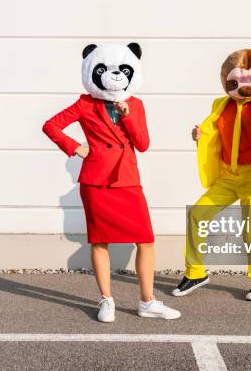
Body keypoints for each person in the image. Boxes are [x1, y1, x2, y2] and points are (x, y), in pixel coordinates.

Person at [43, 42, 180, 322]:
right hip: (96, 182)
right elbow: (51, 125)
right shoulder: (85, 103)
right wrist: (75, 147)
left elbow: (142, 144)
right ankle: (107, 300)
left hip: (127, 179)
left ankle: (148, 301)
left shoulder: (136, 104)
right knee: (100, 242)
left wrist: (128, 117)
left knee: (146, 240)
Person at [172, 49, 251, 301]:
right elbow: (213, 132)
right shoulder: (219, 104)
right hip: (228, 176)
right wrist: (199, 136)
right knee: (197, 214)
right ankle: (195, 273)